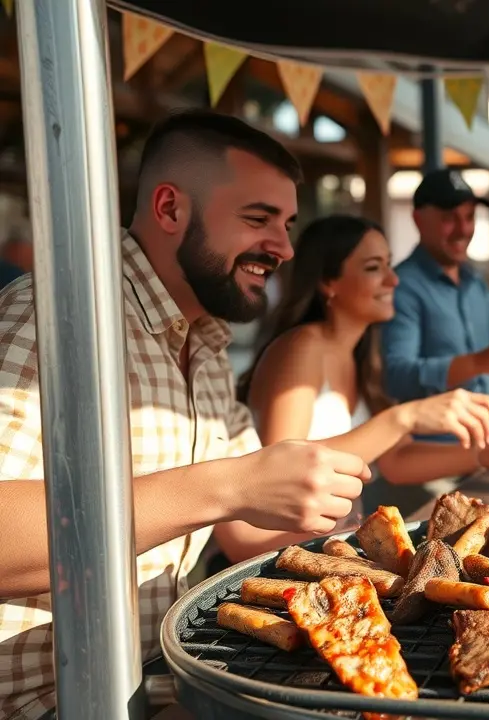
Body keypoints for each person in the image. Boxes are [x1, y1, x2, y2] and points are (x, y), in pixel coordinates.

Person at [0, 111, 373, 719]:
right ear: (170, 209)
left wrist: (369, 516)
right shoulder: (54, 317)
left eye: (286, 224)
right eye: (258, 219)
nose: (282, 248)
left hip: (156, 683)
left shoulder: (205, 336)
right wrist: (226, 484)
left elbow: (241, 529)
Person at [239, 214, 489, 499]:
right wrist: (405, 417)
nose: (394, 279)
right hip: (279, 559)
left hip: (333, 550)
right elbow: (280, 474)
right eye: (375, 268)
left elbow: (397, 460)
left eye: (390, 265)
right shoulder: (303, 346)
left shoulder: (360, 353)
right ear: (329, 282)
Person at [380, 168, 489, 403]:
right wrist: (479, 362)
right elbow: (396, 378)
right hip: (434, 439)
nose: (463, 230)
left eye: (470, 217)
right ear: (418, 220)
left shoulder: (474, 282)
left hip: (488, 432)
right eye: (450, 218)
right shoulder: (401, 286)